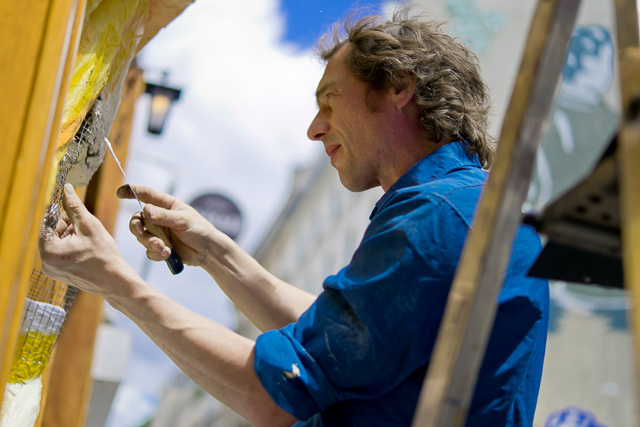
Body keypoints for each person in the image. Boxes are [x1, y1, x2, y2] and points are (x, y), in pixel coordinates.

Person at [40, 10, 549, 427]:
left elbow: (270, 394)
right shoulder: (465, 207)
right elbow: (339, 339)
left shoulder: (440, 218)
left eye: (329, 101)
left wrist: (114, 281)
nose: (313, 128)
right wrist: (214, 250)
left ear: (399, 87)